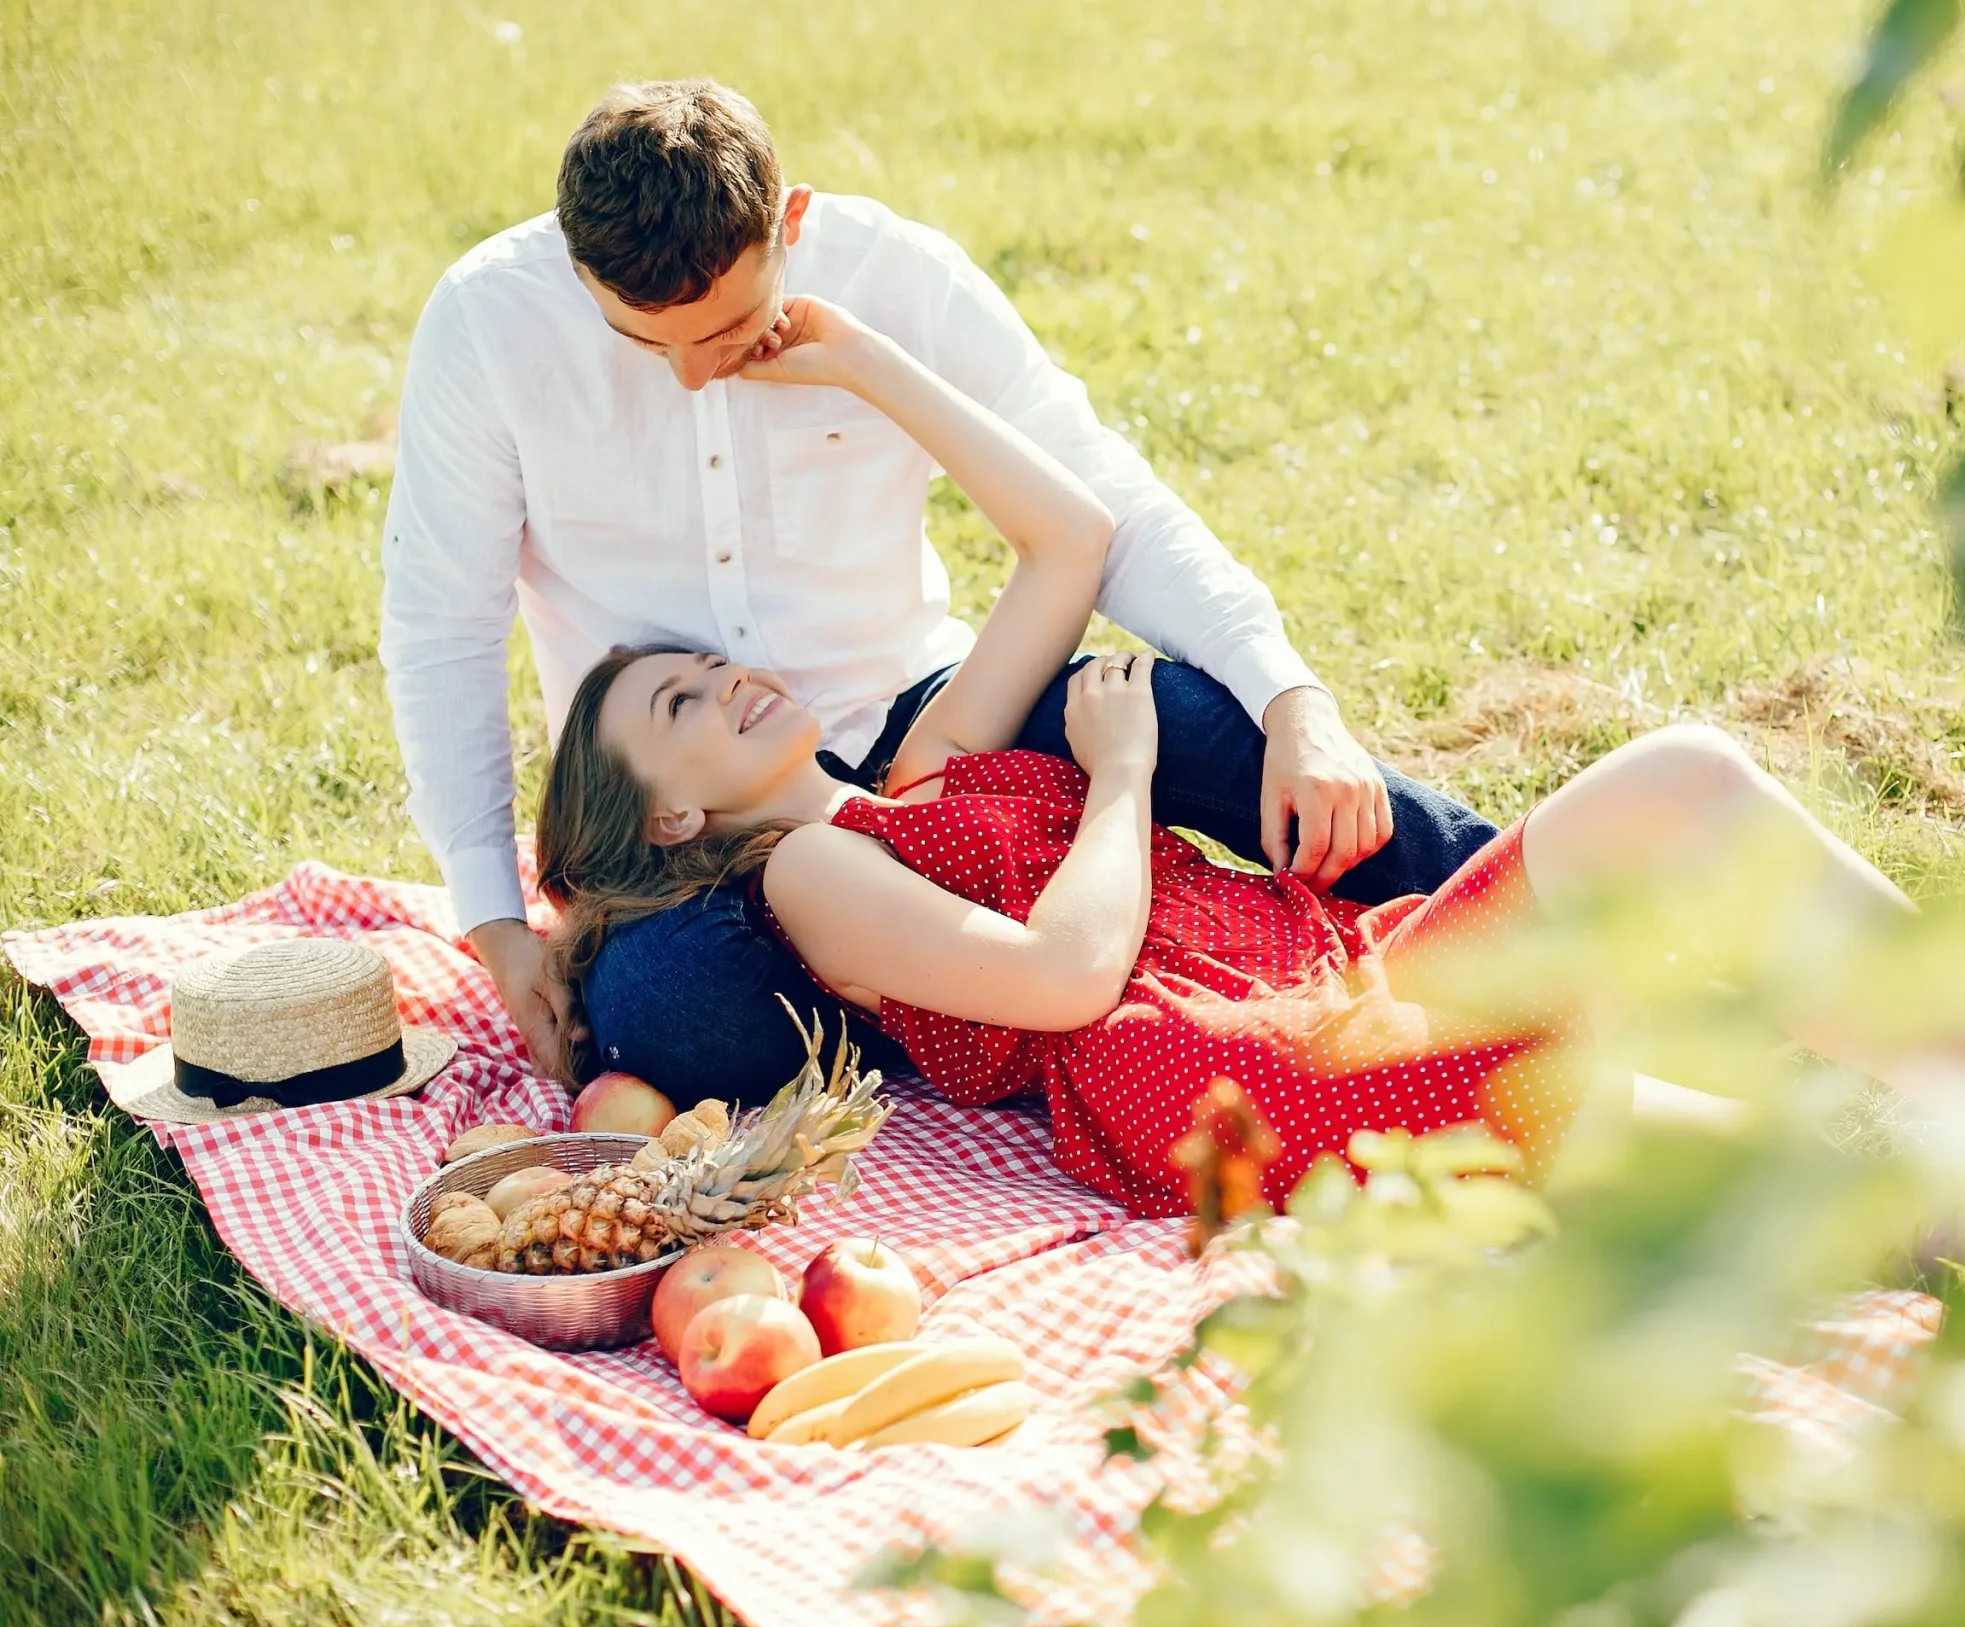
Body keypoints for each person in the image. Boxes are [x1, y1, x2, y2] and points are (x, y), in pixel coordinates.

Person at [532, 289, 1965, 1217]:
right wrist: (1124, 772)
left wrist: (865, 358)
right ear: (668, 816)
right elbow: (1064, 977)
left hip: (1320, 977)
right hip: (1235, 1073)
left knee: (1813, 1195)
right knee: (1674, 784)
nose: (723, 679)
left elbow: (1068, 537)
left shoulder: (924, 769)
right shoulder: (809, 874)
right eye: (678, 704)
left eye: (709, 660)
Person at [380, 78, 1496, 1104]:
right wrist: (495, 923)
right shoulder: (488, 323)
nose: (690, 372)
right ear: (580, 272)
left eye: (722, 331)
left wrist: (1291, 699)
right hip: (699, 813)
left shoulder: (895, 276)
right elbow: (442, 627)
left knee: (1192, 718)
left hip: (931, 725)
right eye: (644, 342)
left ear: (793, 224)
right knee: (666, 1007)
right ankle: (990, 992)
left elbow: (1099, 497)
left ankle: (1542, 915)